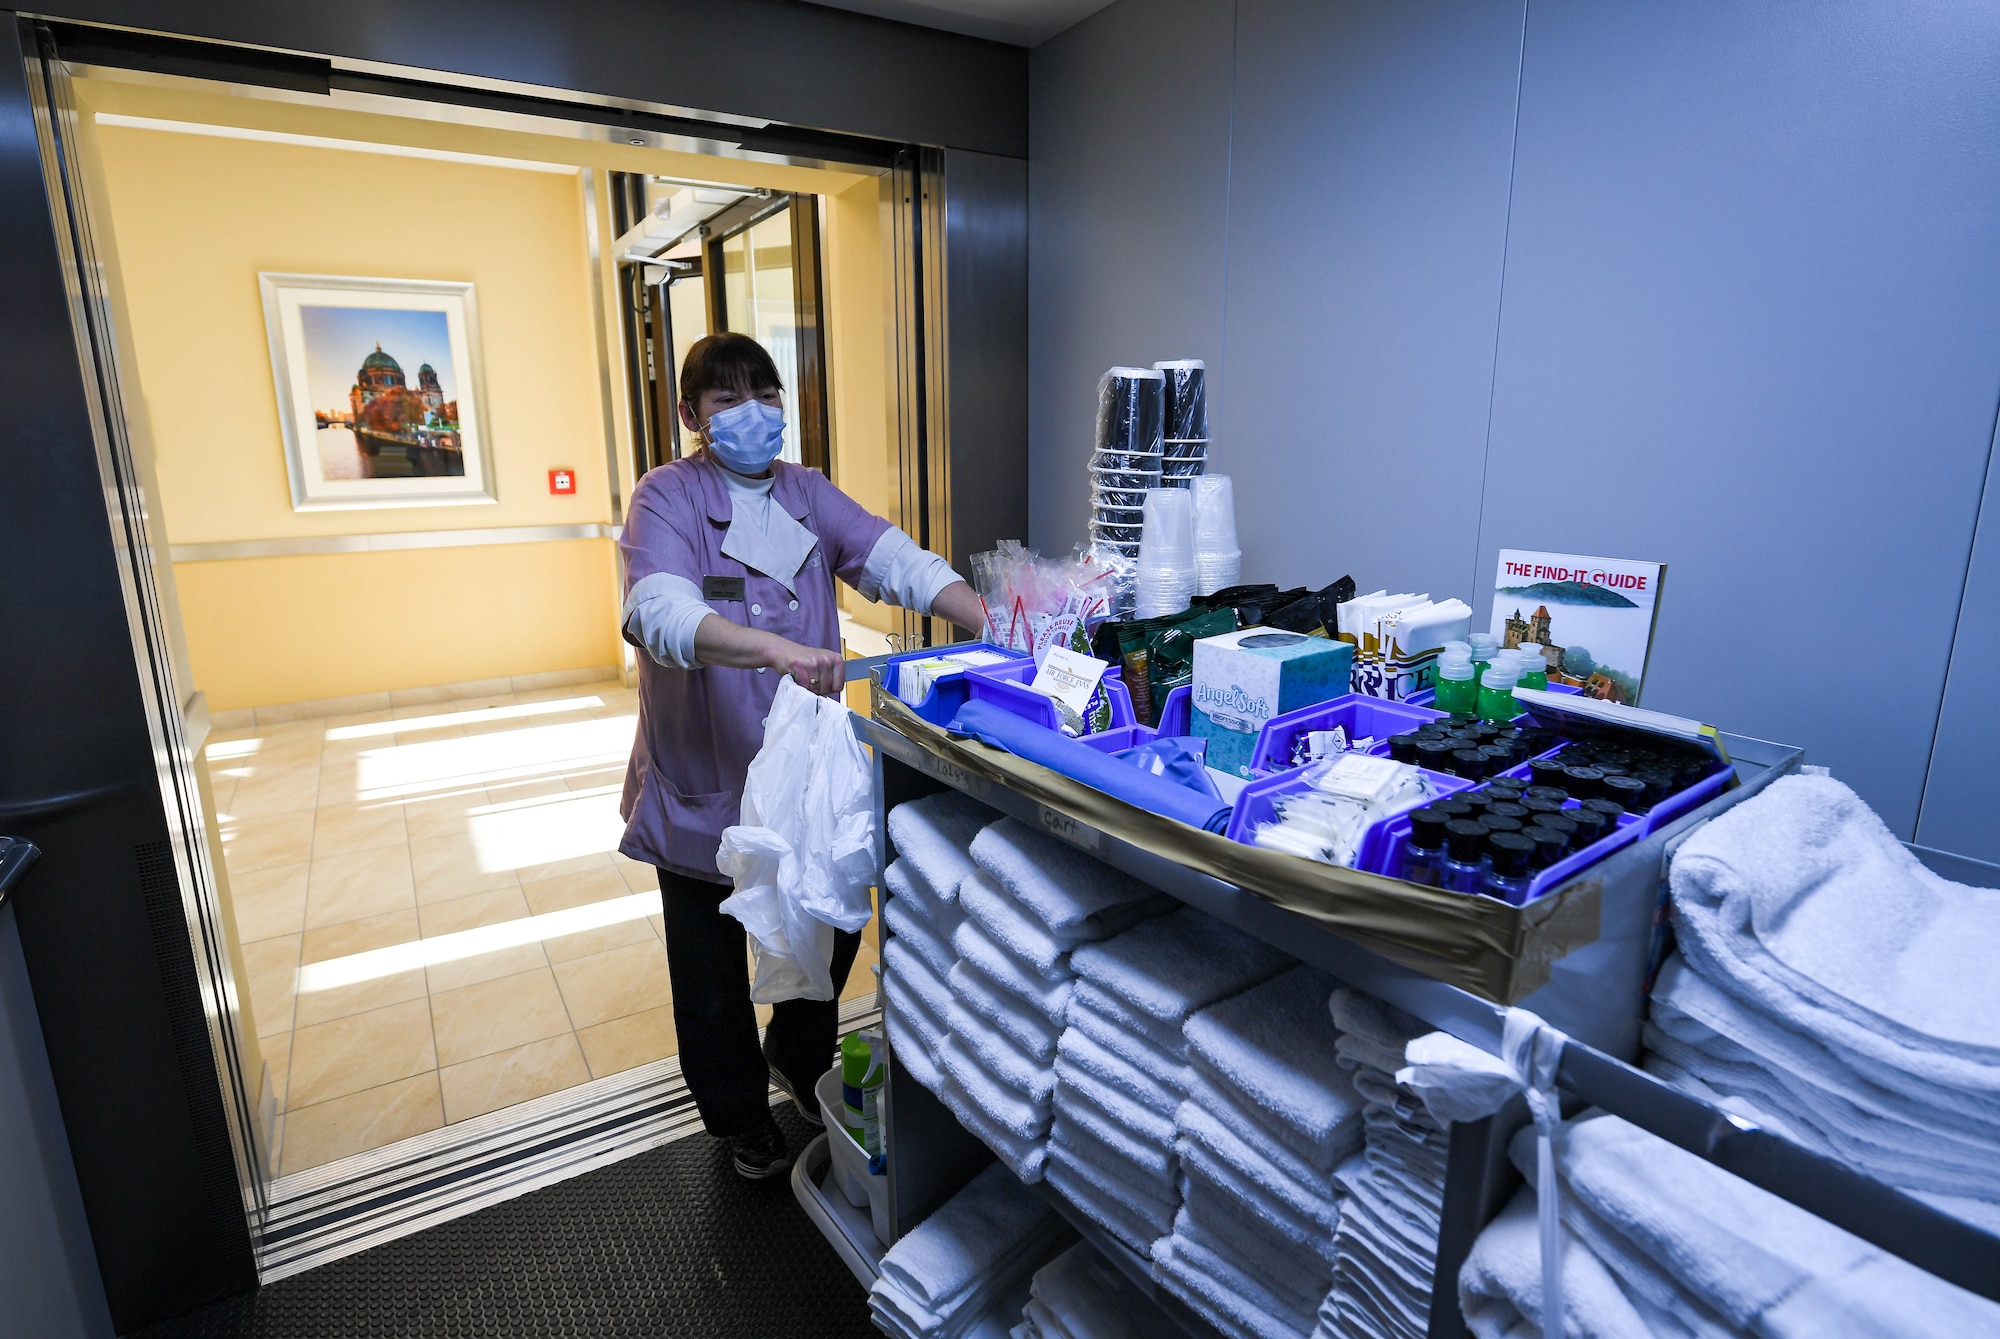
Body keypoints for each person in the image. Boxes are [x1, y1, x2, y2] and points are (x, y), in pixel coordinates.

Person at [617, 332, 986, 1179]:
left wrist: (984, 617)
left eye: (765, 393)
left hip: (802, 778)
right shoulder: (666, 500)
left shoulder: (805, 492)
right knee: (710, 975)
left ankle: (795, 1051)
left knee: (823, 924)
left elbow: (891, 559)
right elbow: (659, 615)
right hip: (704, 782)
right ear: (691, 416)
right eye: (726, 400)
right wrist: (772, 648)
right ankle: (740, 1117)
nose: (752, 413)